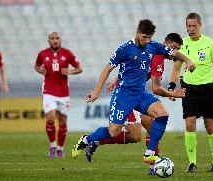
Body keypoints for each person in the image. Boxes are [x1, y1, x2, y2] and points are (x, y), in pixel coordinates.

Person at [71, 19, 195, 167]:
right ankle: (86, 140)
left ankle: (149, 155)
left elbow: (174, 52)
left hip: (141, 94)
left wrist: (188, 61)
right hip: (124, 96)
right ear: (137, 33)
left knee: (162, 114)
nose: (147, 41)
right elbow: (107, 69)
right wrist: (96, 91)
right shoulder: (125, 49)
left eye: (149, 37)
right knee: (113, 132)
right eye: (144, 37)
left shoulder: (153, 46)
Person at [169, 13, 213, 173]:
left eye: (194, 26)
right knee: (190, 125)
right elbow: (176, 69)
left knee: (210, 127)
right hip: (188, 89)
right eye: (188, 26)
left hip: (207, 89)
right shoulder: (181, 44)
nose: (191, 29)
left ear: (200, 25)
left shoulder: (211, 44)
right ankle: (192, 163)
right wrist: (171, 88)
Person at [35, 32, 82, 158]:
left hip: (63, 93)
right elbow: (37, 66)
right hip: (49, 92)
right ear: (48, 40)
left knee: (63, 122)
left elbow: (79, 68)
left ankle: (60, 149)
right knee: (50, 118)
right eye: (53, 38)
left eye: (57, 38)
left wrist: (70, 71)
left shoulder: (67, 53)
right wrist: (40, 70)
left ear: (60, 40)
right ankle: (52, 146)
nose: (55, 40)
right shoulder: (42, 54)